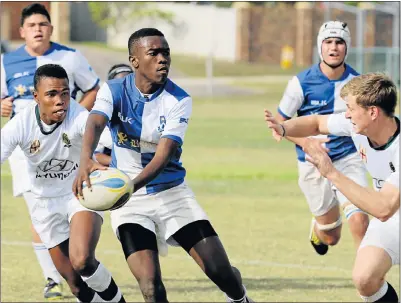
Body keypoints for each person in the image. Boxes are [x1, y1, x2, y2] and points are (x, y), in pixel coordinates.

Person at [73, 28, 253, 303]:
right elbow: (95, 121)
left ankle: (240, 298)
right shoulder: (113, 90)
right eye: (153, 53)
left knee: (221, 272)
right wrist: (86, 158)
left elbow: (163, 156)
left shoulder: (179, 99)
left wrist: (129, 186)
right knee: (150, 287)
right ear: (134, 60)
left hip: (172, 193)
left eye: (165, 53)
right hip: (131, 205)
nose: (162, 59)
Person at [265, 72, 399, 302]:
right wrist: (284, 128)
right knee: (364, 279)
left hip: (388, 209)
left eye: (351, 108)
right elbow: (317, 123)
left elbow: (382, 208)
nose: (347, 114)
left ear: (373, 112)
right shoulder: (356, 125)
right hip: (394, 217)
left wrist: (331, 172)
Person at [1, 64, 125, 303]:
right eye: (51, 94)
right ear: (36, 97)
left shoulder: (78, 115)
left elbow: (107, 137)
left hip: (79, 194)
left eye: (65, 93)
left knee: (82, 260)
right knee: (76, 285)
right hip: (44, 204)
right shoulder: (20, 124)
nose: (60, 100)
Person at [0, 3, 100, 298]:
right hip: (25, 147)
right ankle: (52, 277)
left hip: (66, 143)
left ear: (51, 29)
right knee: (38, 206)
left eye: (43, 24)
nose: (38, 30)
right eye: (32, 26)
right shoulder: (7, 61)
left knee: (70, 200)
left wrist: (72, 119)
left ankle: (77, 263)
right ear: (21, 32)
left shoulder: (69, 57)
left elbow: (94, 88)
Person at [274, 20, 369, 255]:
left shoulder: (358, 84)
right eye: (328, 42)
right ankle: (319, 228)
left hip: (348, 159)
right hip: (312, 163)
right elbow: (279, 125)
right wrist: (307, 142)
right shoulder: (301, 83)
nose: (334, 47)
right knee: (331, 236)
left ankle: (369, 280)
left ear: (347, 48)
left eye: (339, 42)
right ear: (320, 46)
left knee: (359, 220)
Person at [94, 64, 134, 166]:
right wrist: (124, 165)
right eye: (121, 85)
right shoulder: (102, 117)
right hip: (114, 172)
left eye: (130, 82)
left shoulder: (147, 112)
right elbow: (96, 155)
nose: (126, 89)